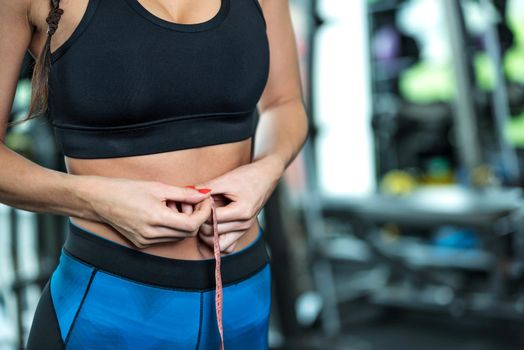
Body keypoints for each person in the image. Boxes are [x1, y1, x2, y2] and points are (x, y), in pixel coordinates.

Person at [0, 0, 309, 348]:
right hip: (110, 306)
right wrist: (96, 201)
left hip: (244, 294)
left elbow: (285, 103)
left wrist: (266, 170)